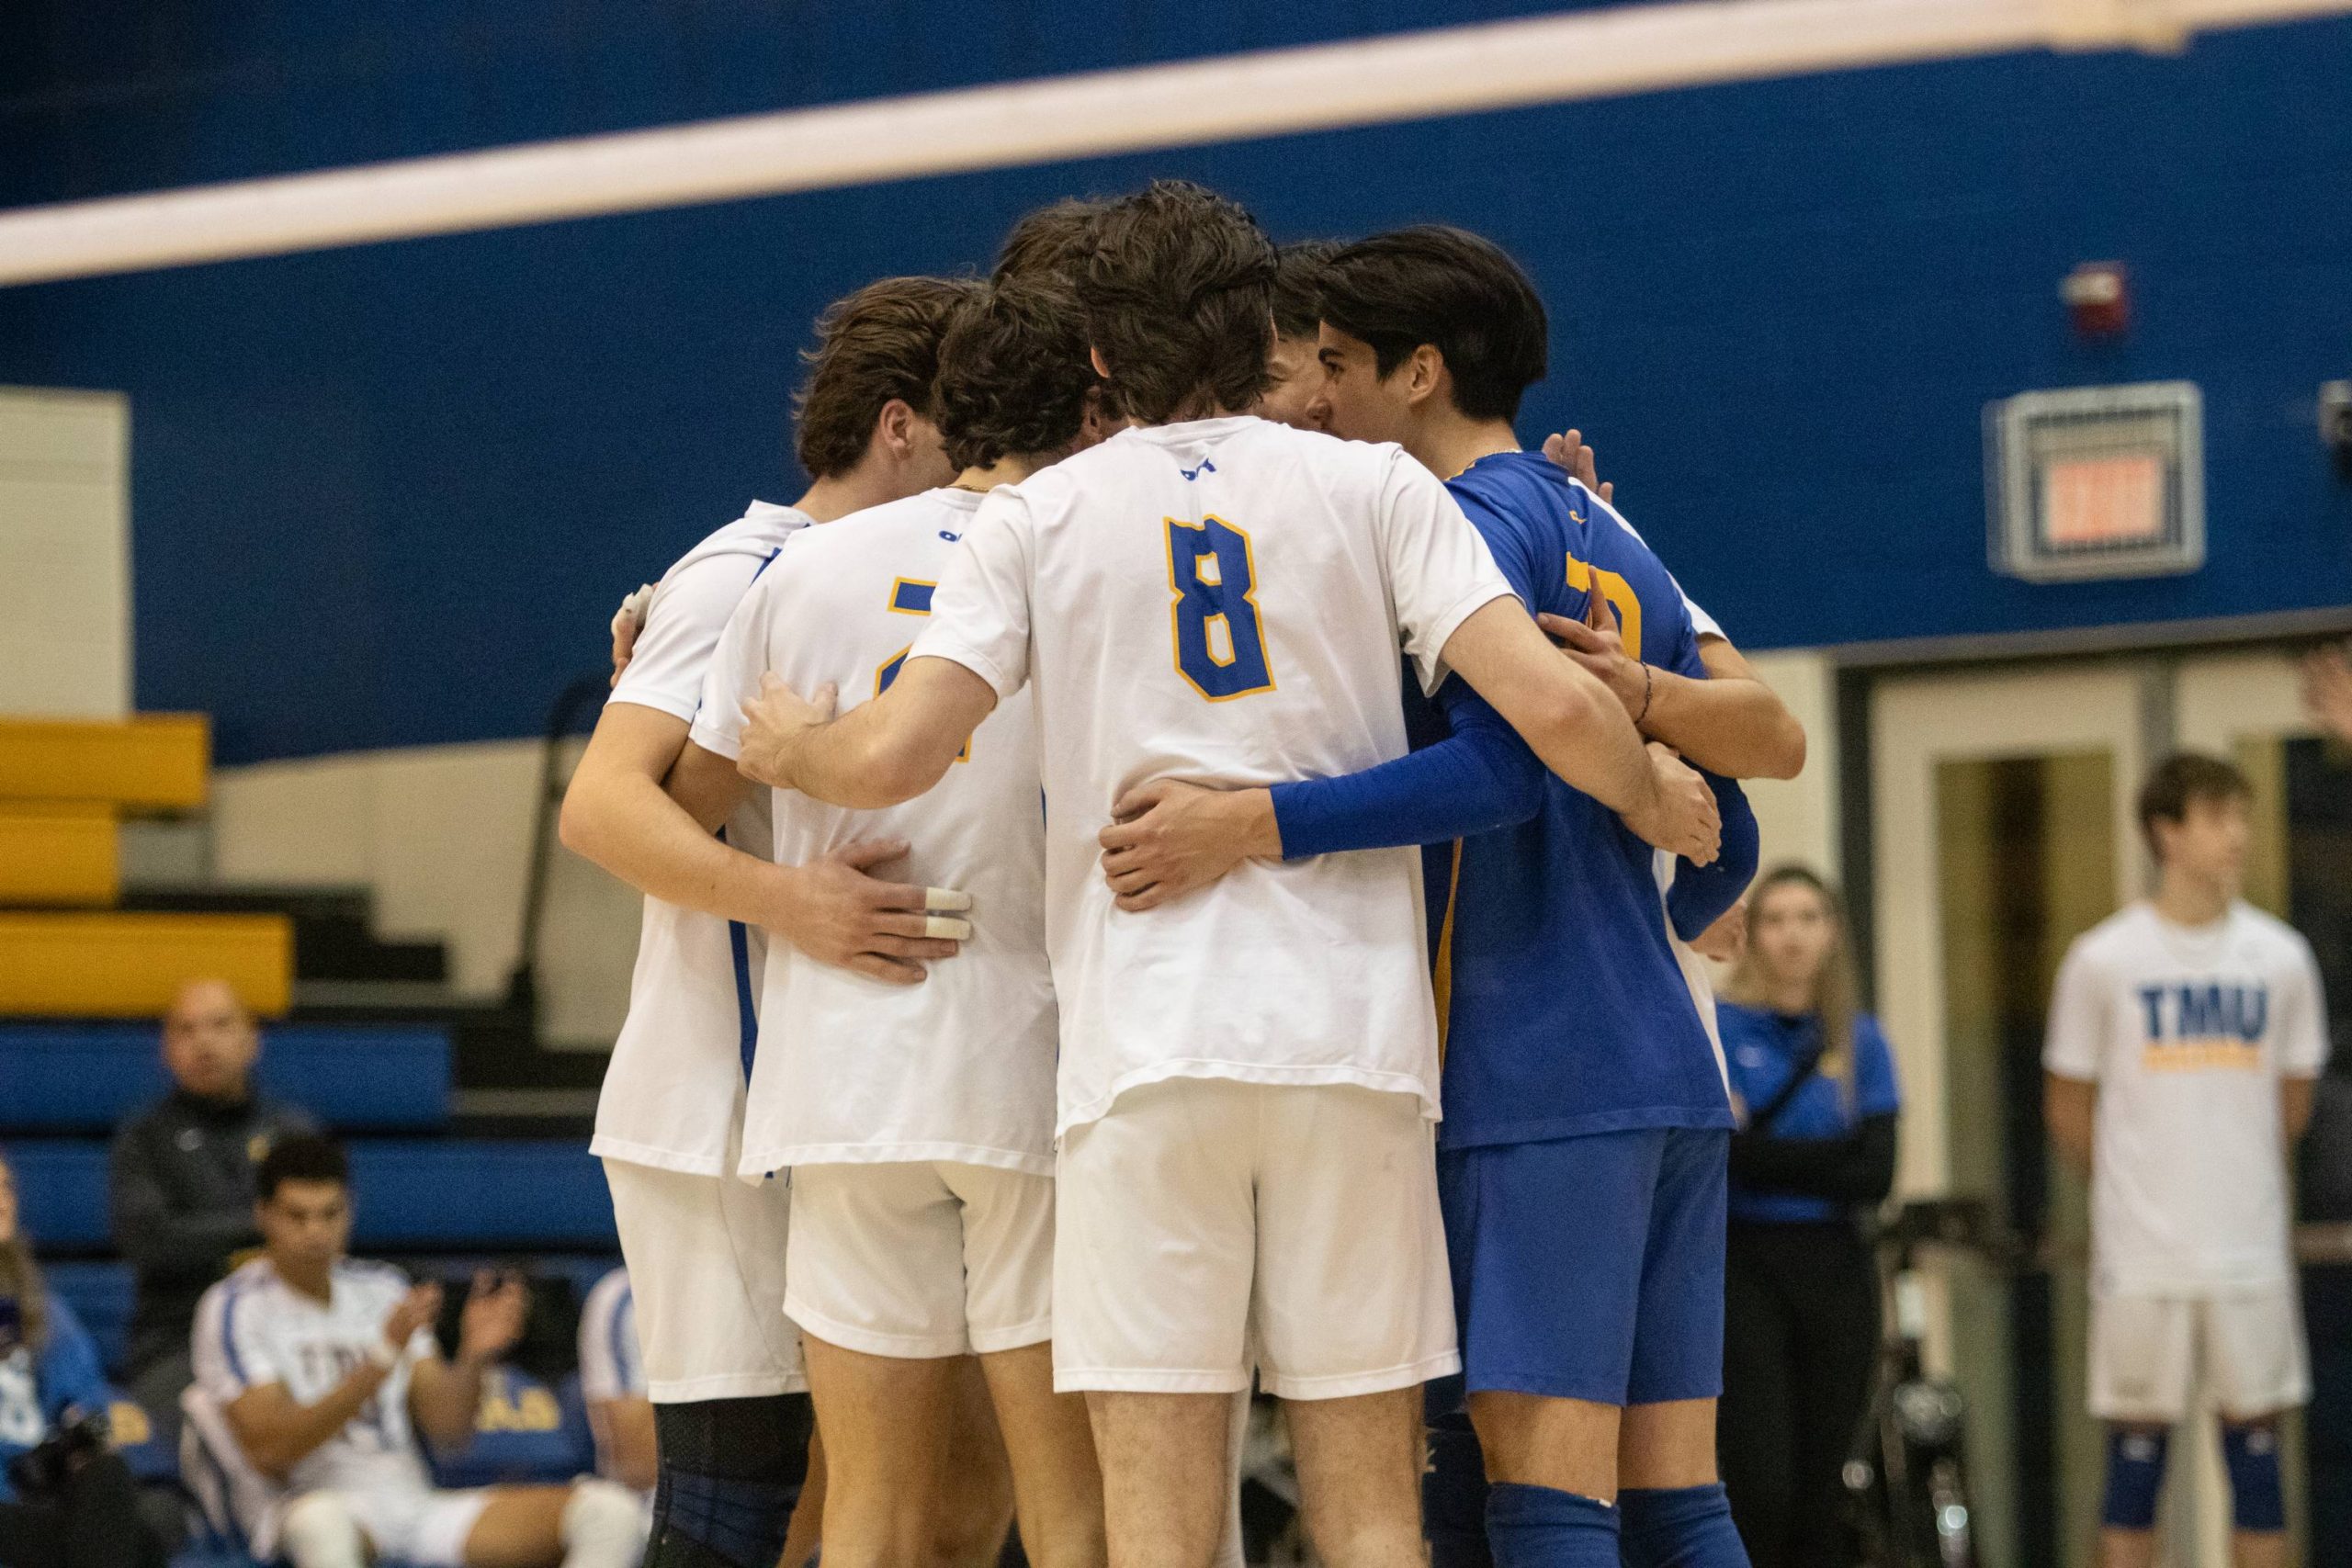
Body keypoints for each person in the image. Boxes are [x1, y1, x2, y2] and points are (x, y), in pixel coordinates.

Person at [727, 178, 1720, 1568]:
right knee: (1373, 1512)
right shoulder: (1373, 483)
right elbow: (1553, 716)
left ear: (1094, 357)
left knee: (1160, 1528)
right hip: (1352, 1050)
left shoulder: (1038, 516)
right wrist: (1659, 792)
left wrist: (792, 745)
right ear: (1262, 329)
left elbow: (899, 755)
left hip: (1145, 1050)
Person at [1091, 225, 1769, 1568]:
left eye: (1334, 361)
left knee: (1549, 1498)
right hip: (1661, 1063)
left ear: (1417, 372)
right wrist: (1660, 900)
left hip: (1531, 1069)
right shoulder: (1603, 520)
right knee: (1669, 1499)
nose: (1312, 393)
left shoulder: (1447, 529)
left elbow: (1501, 766)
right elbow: (1733, 824)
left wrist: (1254, 822)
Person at [672, 276, 1107, 1568]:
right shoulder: (1082, 552)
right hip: (1024, 1055)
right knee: (1067, 1504)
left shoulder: (805, 567)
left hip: (846, 1062)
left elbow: (690, 796)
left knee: (867, 1510)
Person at [559, 274, 986, 1568]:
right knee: (737, 1501)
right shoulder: (743, 572)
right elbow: (602, 809)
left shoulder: (927, 575)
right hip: (722, 1093)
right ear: (902, 425)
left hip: (854, 1088)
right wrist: (793, 900)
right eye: (972, 434)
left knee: (939, 1498)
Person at [2044, 752, 2327, 1568]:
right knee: (2133, 1477)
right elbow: (2069, 1106)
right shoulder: (2104, 959)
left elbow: (2293, 1104)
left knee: (2261, 1474)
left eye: (2241, 814)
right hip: (2144, 1258)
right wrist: (2138, 1190)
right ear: (2167, 831)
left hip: (2248, 1252)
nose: (2236, 832)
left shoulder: (2280, 957)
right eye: (2216, 815)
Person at [187, 1134, 641, 1568]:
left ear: (351, 1209)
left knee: (611, 1513)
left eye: (330, 1214)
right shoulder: (233, 1306)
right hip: (308, 1504)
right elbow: (273, 1448)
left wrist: (473, 1357)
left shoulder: (383, 1288)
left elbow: (448, 1432)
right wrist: (380, 1361)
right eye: (298, 1216)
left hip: (411, 1498)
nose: (315, 1232)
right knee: (320, 1525)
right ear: (263, 1215)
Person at [1713, 868, 1897, 1568]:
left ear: (1832, 933)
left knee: (1822, 1487)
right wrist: (1828, 1155)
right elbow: (1721, 1159)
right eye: (1776, 918)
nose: (1793, 934)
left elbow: (1874, 1173)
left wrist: (1759, 1148)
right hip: (1745, 1263)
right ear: (1753, 933)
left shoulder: (1863, 1040)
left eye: (1809, 916)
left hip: (1837, 1267)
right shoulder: (1723, 1028)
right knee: (1760, 1480)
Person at [111, 977, 318, 1439]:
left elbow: (320, 1235)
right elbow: (153, 1245)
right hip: (177, 1342)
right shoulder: (143, 1139)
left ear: (252, 1040)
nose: (203, 1042)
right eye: (186, 1030)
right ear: (166, 1048)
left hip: (291, 1333)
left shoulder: (294, 1134)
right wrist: (262, 1226)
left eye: (220, 1025)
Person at [0, 1149, 172, 1568]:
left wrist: (99, 1429)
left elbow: (86, 1403)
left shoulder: (41, 1306)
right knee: (134, 1546)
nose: (2, 1201)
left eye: (5, 1188)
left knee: (114, 1483)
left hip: (44, 1488)